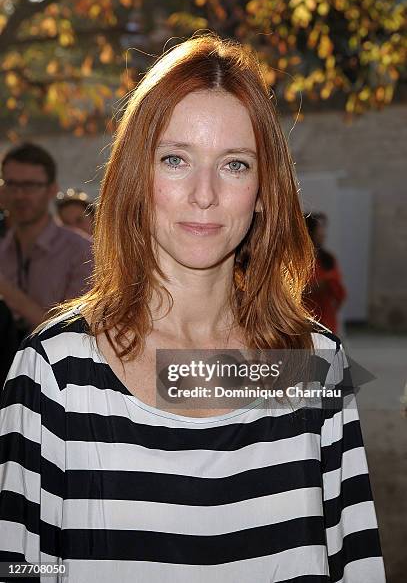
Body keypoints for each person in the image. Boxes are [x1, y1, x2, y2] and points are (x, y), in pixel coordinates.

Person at [0, 34, 385, 582]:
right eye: (176, 159)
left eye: (234, 164)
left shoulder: (313, 364)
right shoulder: (55, 371)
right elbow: (21, 565)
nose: (204, 193)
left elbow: (356, 564)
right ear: (138, 177)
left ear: (262, 190)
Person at [0, 143, 94, 341]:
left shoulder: (82, 251)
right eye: (11, 184)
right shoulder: (3, 250)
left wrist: (8, 292)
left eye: (30, 186)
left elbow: (75, 333)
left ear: (52, 190)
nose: (19, 195)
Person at [303, 212, 347, 334]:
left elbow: (339, 292)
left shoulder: (327, 259)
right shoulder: (295, 260)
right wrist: (314, 286)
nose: (323, 234)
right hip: (303, 322)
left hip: (326, 320)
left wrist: (328, 283)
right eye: (319, 229)